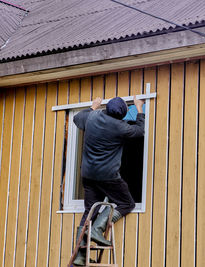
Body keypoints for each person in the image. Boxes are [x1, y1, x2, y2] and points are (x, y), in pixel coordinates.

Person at [72, 95, 145, 266]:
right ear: (122, 115)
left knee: (90, 210)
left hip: (88, 174)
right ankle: (98, 228)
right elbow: (140, 131)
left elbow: (76, 118)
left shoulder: (92, 117)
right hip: (107, 176)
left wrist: (93, 106)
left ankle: (80, 256)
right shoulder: (120, 127)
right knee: (126, 203)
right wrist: (139, 108)